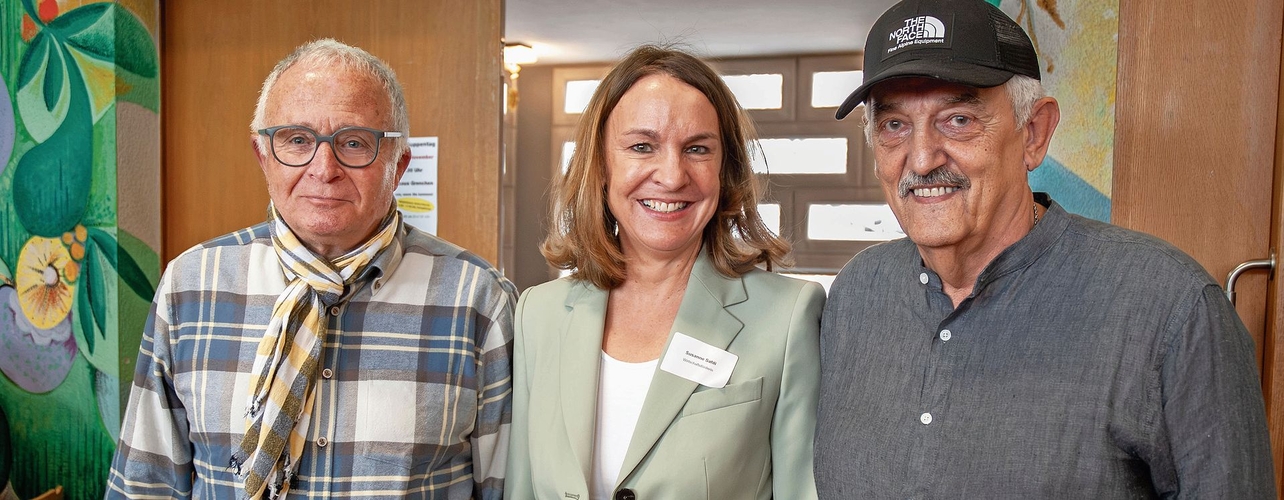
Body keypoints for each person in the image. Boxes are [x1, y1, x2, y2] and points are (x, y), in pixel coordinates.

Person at [813, 0, 1276, 497]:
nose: (922, 159)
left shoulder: (1172, 309)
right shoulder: (857, 293)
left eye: (958, 120)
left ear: (1033, 133)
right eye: (894, 126)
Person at [106, 39, 515, 499]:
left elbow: (506, 489)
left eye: (354, 143)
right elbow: (145, 486)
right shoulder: (191, 286)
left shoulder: (478, 300)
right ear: (263, 155)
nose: (324, 169)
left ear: (398, 165)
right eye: (297, 140)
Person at [505, 45, 824, 500]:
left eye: (697, 149)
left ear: (725, 169)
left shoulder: (788, 316)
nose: (673, 176)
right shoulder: (538, 314)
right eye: (642, 146)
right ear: (600, 165)